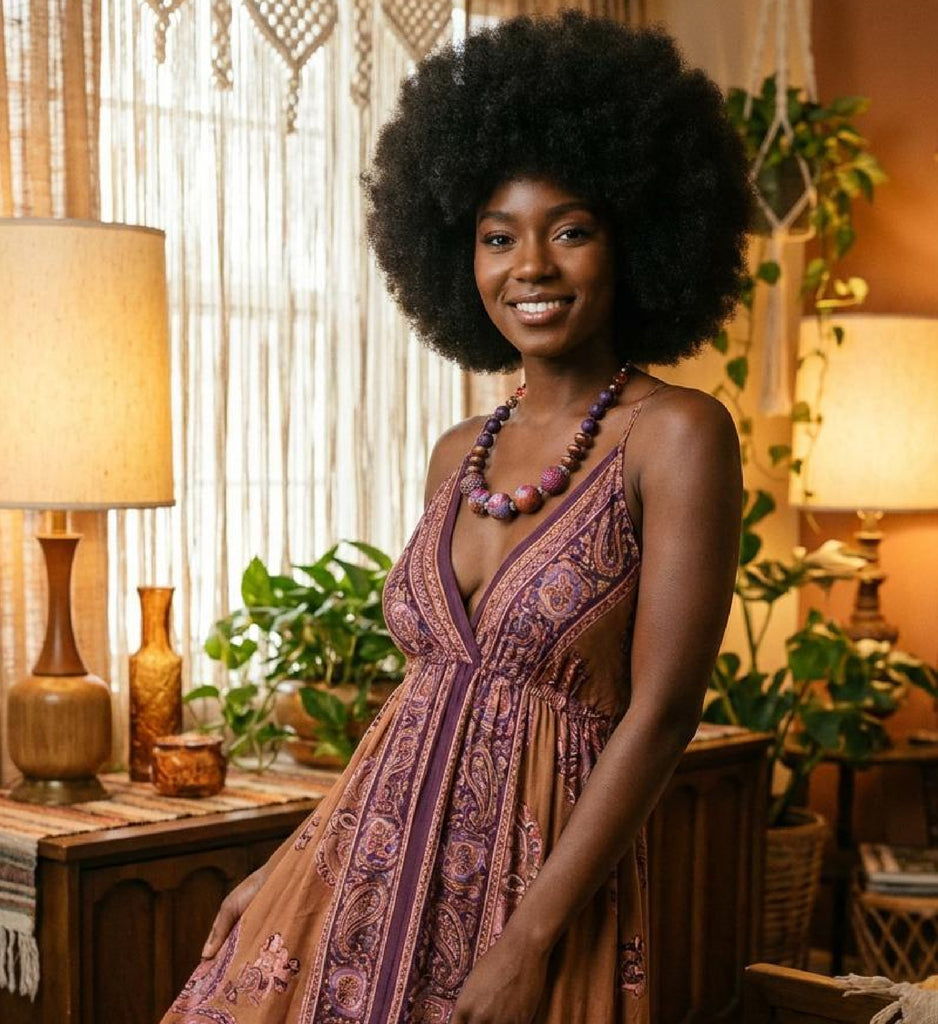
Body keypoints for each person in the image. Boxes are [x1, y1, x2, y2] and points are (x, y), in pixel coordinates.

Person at [161, 11, 749, 1024]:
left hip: (541, 892)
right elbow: (420, 703)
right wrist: (297, 860)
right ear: (455, 256)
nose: (531, 265)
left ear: (634, 239)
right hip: (369, 873)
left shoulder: (678, 435)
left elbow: (659, 716)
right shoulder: (457, 451)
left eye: (569, 229)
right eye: (496, 235)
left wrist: (529, 942)